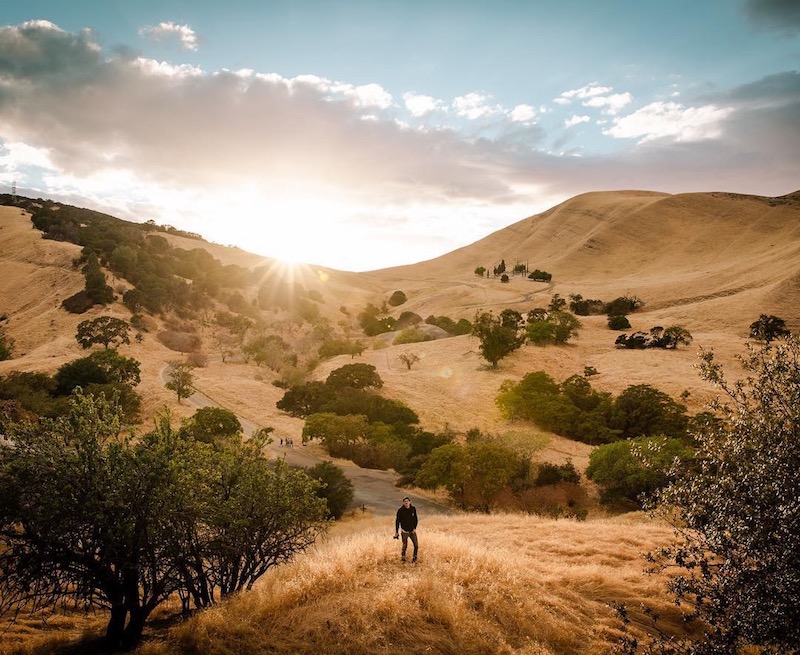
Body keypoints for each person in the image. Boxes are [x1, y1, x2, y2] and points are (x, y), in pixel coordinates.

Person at [394, 496, 419, 563]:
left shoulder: (413, 509)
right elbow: (397, 521)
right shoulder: (400, 510)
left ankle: (414, 558)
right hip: (404, 531)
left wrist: (415, 528)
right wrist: (397, 531)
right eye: (405, 502)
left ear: (409, 502)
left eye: (407, 501)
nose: (406, 503)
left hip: (412, 531)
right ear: (403, 503)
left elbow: (416, 519)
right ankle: (403, 557)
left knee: (416, 545)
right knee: (405, 545)